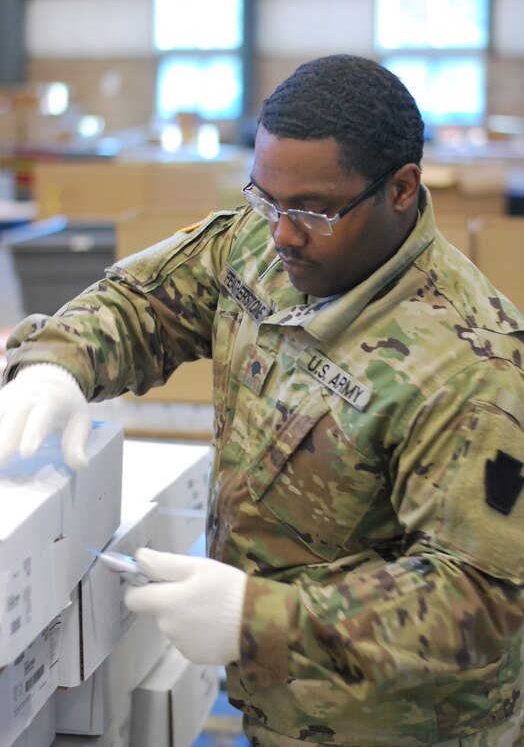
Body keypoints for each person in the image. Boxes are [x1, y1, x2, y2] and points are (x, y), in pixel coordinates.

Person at [0, 54, 523, 746]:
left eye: (313, 210)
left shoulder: (471, 365)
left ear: (401, 189)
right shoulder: (266, 243)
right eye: (266, 199)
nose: (282, 232)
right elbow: (144, 304)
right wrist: (57, 366)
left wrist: (259, 618)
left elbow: (481, 596)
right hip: (279, 708)